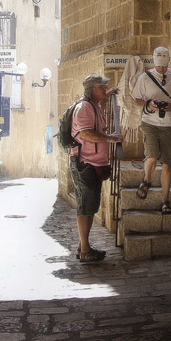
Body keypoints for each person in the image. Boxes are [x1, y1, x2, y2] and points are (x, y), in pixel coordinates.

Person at [70, 73, 122, 262]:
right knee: (85, 208)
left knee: (90, 207)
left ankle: (82, 247)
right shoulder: (84, 107)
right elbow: (86, 134)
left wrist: (108, 95)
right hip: (85, 163)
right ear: (93, 89)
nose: (104, 90)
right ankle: (85, 252)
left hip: (94, 163)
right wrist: (110, 138)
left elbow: (97, 119)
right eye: (102, 87)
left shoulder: (95, 105)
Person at [131, 47, 171, 215]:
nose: (161, 69)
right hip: (149, 122)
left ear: (168, 62)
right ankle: (147, 179)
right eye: (159, 66)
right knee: (152, 155)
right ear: (154, 63)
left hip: (169, 125)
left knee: (167, 165)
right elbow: (136, 100)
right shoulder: (144, 77)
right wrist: (148, 104)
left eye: (164, 66)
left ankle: (165, 201)